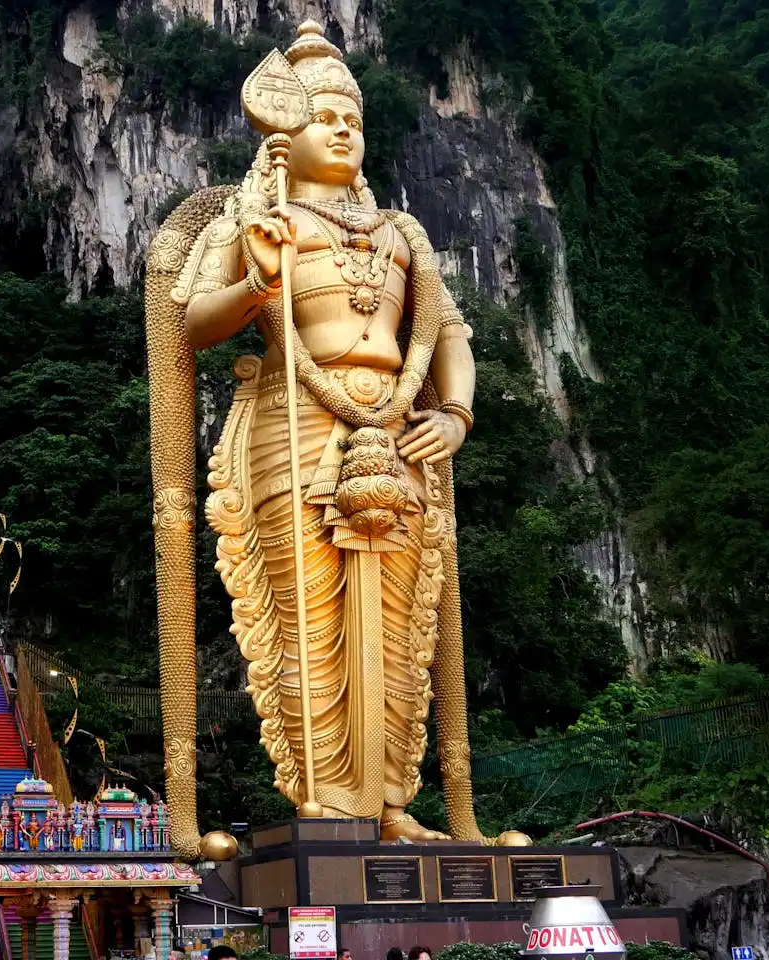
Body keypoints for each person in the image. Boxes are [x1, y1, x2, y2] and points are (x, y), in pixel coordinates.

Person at [146, 19, 522, 847]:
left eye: (355, 119)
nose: (346, 130)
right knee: (304, 615)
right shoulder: (255, 218)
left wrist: (454, 416)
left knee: (400, 625)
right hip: (293, 424)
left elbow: (449, 334)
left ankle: (393, 804)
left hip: (398, 438)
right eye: (327, 118)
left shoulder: (401, 235)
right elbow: (191, 324)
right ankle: (324, 798)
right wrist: (255, 277)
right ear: (288, 132)